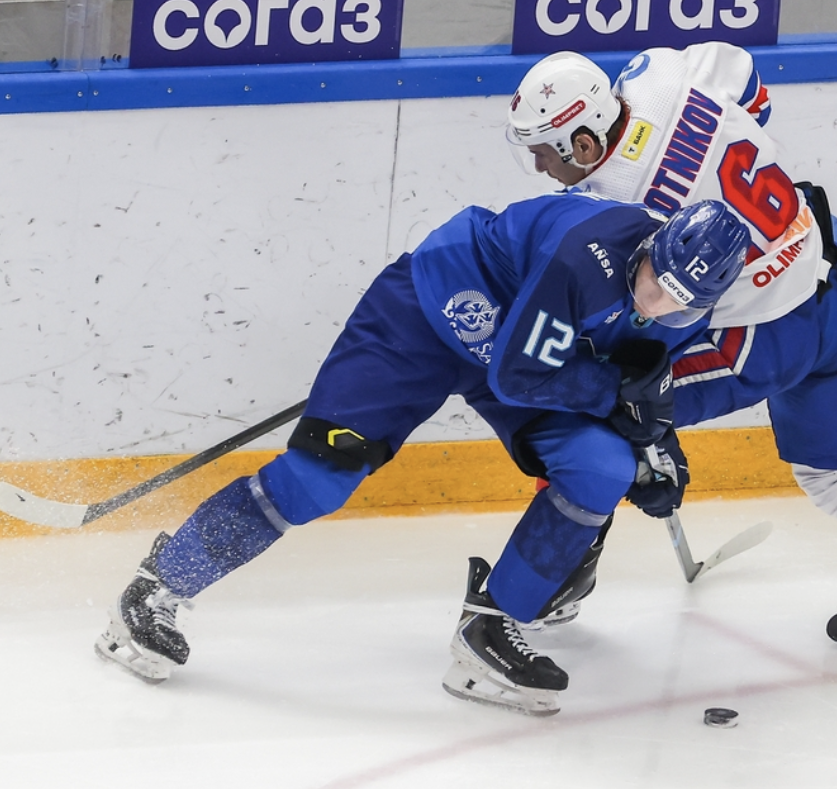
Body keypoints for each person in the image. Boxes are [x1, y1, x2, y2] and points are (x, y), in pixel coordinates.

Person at [97, 192, 752, 718]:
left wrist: (652, 449)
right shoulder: (586, 254)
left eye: (680, 302)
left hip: (533, 360)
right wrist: (618, 397)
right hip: (433, 313)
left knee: (601, 468)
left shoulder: (683, 309)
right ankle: (160, 584)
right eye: (654, 282)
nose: (657, 304)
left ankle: (490, 630)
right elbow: (522, 378)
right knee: (318, 479)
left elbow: (637, 379)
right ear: (652, 244)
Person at [504, 45, 837, 674]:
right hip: (831, 287)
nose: (541, 167)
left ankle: (560, 574)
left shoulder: (617, 207)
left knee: (587, 410)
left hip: (758, 341)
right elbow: (748, 84)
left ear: (585, 142)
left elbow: (654, 320)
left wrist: (648, 435)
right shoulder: (661, 74)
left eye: (545, 150)